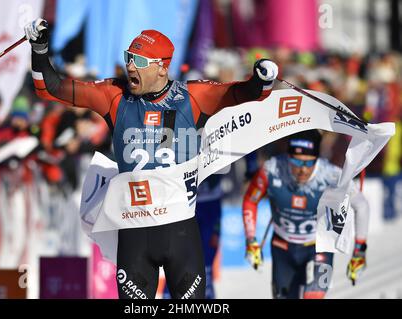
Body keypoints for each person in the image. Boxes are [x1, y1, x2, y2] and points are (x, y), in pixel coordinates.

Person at [25, 18, 278, 299]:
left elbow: (243, 93)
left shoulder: (192, 96)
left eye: (139, 61)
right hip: (134, 232)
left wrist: (261, 80)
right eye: (129, 58)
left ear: (162, 66)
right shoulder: (115, 96)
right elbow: (50, 88)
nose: (131, 66)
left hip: (180, 231)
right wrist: (40, 49)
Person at [242, 130, 370, 299]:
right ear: (287, 156)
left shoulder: (332, 176)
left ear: (317, 159)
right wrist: (251, 239)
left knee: (313, 296)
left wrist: (359, 251)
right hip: (283, 248)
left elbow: (361, 205)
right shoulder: (271, 170)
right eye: (296, 161)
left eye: (309, 163)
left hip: (318, 249)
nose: (302, 170)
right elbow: (250, 200)